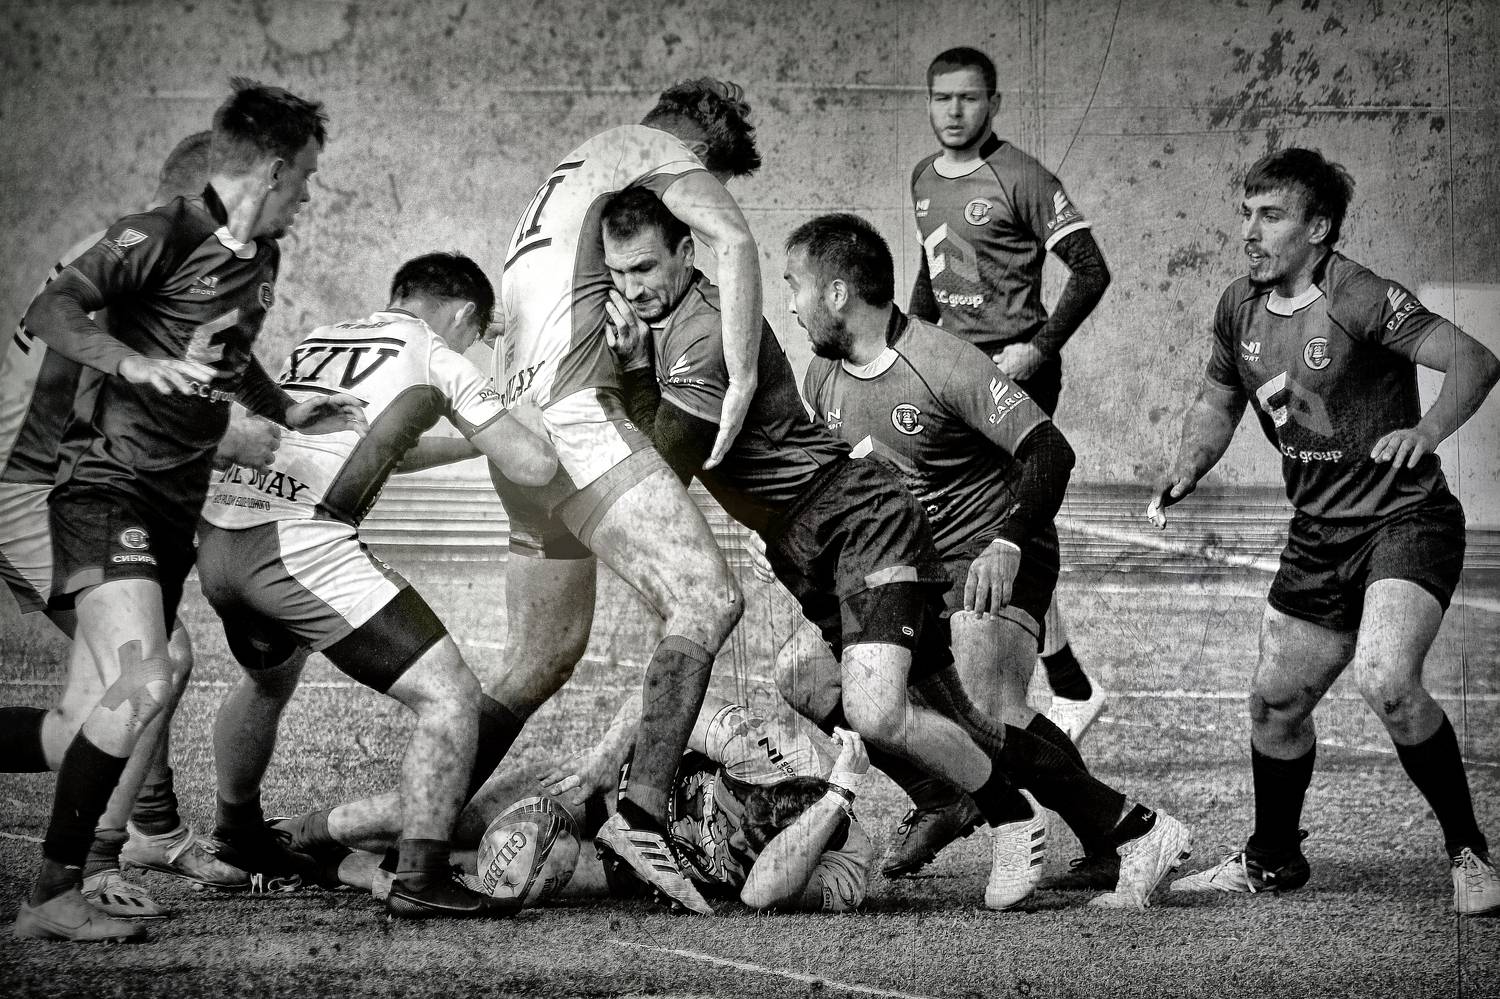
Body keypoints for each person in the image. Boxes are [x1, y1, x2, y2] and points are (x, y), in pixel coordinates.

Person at [599, 190, 1188, 911]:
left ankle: (1067, 821)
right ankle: (978, 799)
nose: (787, 305)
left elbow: (1050, 452)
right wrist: (777, 527)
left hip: (983, 546)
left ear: (837, 294)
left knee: (966, 708)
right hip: (881, 549)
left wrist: (1007, 542)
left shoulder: (941, 361)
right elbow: (806, 467)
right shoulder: (822, 372)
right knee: (811, 679)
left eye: (794, 286)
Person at [14, 79, 366, 944]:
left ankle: (86, 866)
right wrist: (129, 363)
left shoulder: (261, 259)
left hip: (167, 508)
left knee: (85, 721)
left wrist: (286, 411)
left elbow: (226, 355)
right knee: (150, 671)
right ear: (273, 171)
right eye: (305, 177)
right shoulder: (159, 232)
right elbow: (50, 309)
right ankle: (63, 885)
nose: (310, 195)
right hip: (105, 489)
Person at [1152, 148, 1500, 916]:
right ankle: (1274, 858)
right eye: (1246, 213)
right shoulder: (1239, 306)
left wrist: (1428, 431)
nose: (1250, 231)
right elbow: (1217, 399)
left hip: (1404, 520)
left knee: (1387, 679)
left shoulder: (1360, 296)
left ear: (1318, 228)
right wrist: (1188, 465)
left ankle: (1470, 853)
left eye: (1271, 216)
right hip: (1318, 532)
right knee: (1275, 704)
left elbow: (1475, 360)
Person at [475, 78, 765, 914]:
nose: (696, 193)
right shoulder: (646, 150)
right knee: (706, 596)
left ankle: (408, 826)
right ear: (690, 144)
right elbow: (735, 239)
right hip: (574, 417)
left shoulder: (566, 183)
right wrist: (744, 375)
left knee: (539, 658)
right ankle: (639, 821)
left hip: (520, 433)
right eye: (706, 173)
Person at [196, 252, 557, 919]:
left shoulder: (324, 338)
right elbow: (532, 464)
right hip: (295, 545)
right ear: (465, 315)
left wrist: (469, 443)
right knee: (451, 694)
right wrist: (525, 418)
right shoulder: (436, 353)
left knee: (268, 680)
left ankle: (239, 834)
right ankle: (420, 875)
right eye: (475, 336)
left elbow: (375, 445)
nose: (471, 348)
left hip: (221, 538)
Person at [0, 132, 263, 920]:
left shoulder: (121, 249)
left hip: (42, 481)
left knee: (85, 716)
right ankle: (96, 858)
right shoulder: (153, 259)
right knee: (156, 660)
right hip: (30, 491)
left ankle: (141, 829)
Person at [908, 46, 1111, 759]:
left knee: (1006, 525)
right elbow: (932, 267)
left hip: (1013, 370)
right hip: (951, 372)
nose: (954, 111)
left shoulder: (1023, 176)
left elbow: (1090, 269)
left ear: (994, 103)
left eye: (968, 98)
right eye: (942, 98)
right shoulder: (924, 176)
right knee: (977, 523)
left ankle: (1050, 686)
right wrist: (913, 344)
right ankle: (1067, 679)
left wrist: (1039, 349)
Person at [286, 695, 873, 914]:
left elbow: (759, 894)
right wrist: (600, 762)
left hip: (636, 869)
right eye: (743, 809)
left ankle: (319, 867)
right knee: (442, 820)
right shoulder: (766, 747)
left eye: (755, 839)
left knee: (498, 875)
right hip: (609, 792)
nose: (739, 831)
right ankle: (293, 832)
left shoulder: (846, 870)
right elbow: (655, 700)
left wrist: (837, 799)